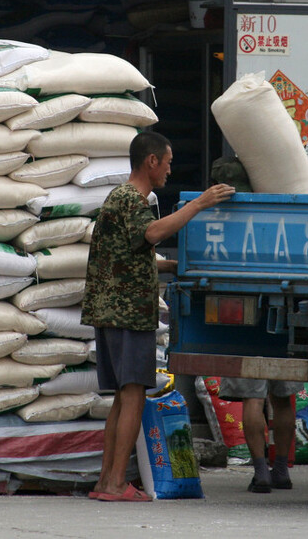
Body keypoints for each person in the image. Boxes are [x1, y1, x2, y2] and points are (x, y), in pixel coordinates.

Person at [81, 131, 234, 503]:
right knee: (133, 395)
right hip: (129, 314)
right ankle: (117, 483)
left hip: (111, 312)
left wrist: (171, 266)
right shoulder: (134, 199)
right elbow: (151, 233)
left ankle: (106, 482)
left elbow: (133, 253)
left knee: (122, 396)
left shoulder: (117, 198)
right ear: (151, 161)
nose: (169, 169)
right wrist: (199, 203)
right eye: (166, 162)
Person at [217, 377, 300, 493]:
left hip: (251, 358)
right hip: (285, 359)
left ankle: (261, 473)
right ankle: (281, 470)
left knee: (253, 398)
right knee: (283, 400)